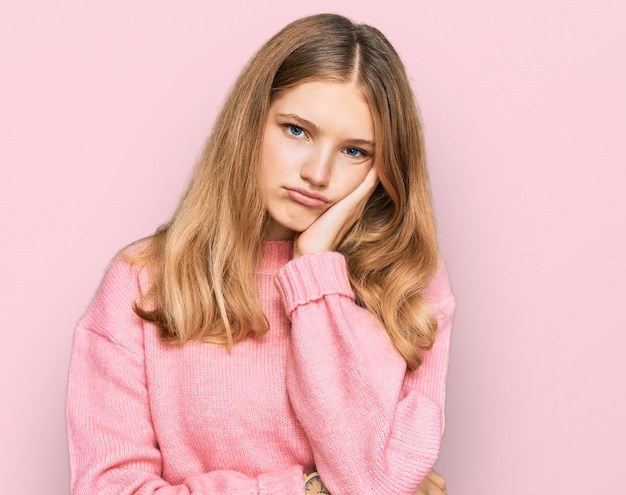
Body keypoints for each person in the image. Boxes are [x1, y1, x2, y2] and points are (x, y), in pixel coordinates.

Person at [66, 13, 454, 495]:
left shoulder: (408, 282)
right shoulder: (143, 282)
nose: (318, 171)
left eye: (355, 152)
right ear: (252, 123)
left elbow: (370, 484)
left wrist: (315, 272)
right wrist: (306, 489)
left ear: (385, 167)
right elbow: (110, 488)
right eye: (297, 130)